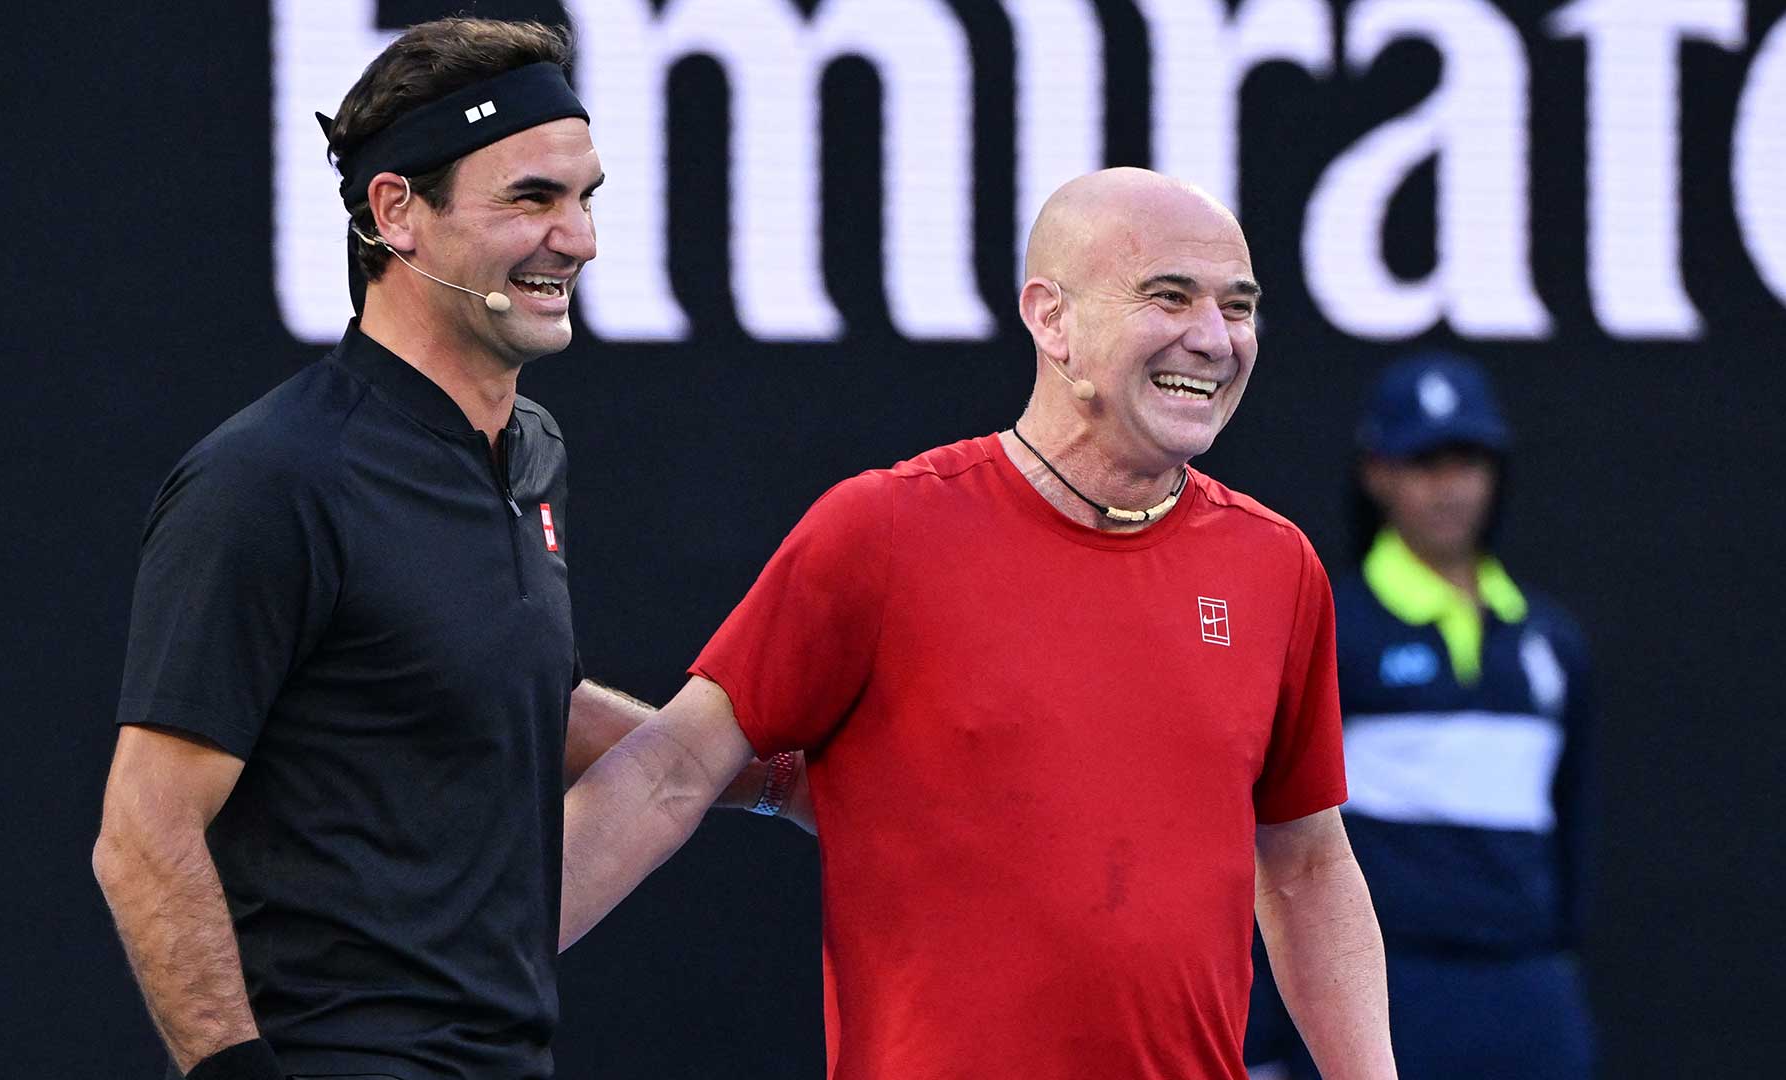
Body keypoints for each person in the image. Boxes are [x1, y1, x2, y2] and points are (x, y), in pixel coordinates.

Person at [560, 168, 1397, 1079]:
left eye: (1238, 307)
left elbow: (1307, 865)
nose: (1214, 339)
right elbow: (673, 770)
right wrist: (472, 975)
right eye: (1169, 297)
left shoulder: (1276, 567)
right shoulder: (882, 531)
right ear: (1052, 318)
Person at [90, 19, 797, 1080]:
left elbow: (510, 699)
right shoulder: (270, 479)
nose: (579, 240)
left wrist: (766, 777)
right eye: (530, 199)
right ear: (397, 214)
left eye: (585, 198)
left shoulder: (532, 452)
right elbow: (144, 833)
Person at [1244, 353, 1596, 1079]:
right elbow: (1277, 845)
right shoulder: (1329, 626)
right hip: (1385, 989)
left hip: (1525, 991)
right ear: (1377, 473)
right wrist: (1266, 1042)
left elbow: (1572, 832)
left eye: (1466, 460)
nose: (1448, 487)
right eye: (1423, 461)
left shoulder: (1551, 642)